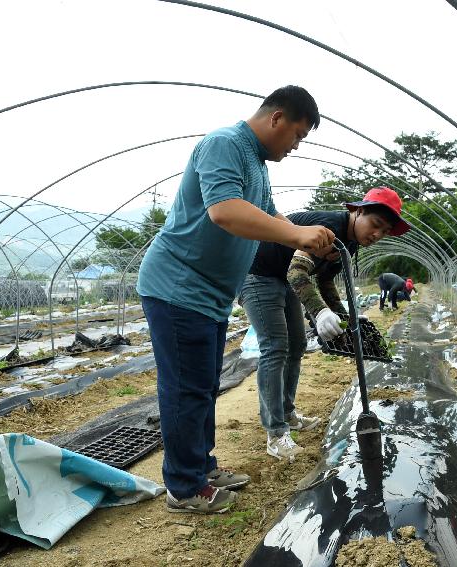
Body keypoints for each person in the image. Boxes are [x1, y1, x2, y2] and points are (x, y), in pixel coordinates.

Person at [136, 86, 336, 514]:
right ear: (277, 118)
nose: (296, 146)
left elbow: (270, 214)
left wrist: (306, 234)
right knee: (186, 388)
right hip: (178, 287)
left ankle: (201, 467)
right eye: (297, 135)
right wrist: (298, 234)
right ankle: (184, 487)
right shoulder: (224, 144)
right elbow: (225, 212)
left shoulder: (257, 165)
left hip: (208, 295)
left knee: (205, 385)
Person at [241, 187, 409, 461]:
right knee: (275, 347)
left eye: (385, 231)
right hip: (259, 274)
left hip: (283, 279)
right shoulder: (330, 228)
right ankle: (276, 433)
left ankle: (288, 413)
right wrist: (319, 312)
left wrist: (344, 317)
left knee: (296, 347)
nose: (377, 234)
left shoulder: (350, 242)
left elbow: (326, 279)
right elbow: (297, 271)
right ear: (358, 210)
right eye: (375, 225)